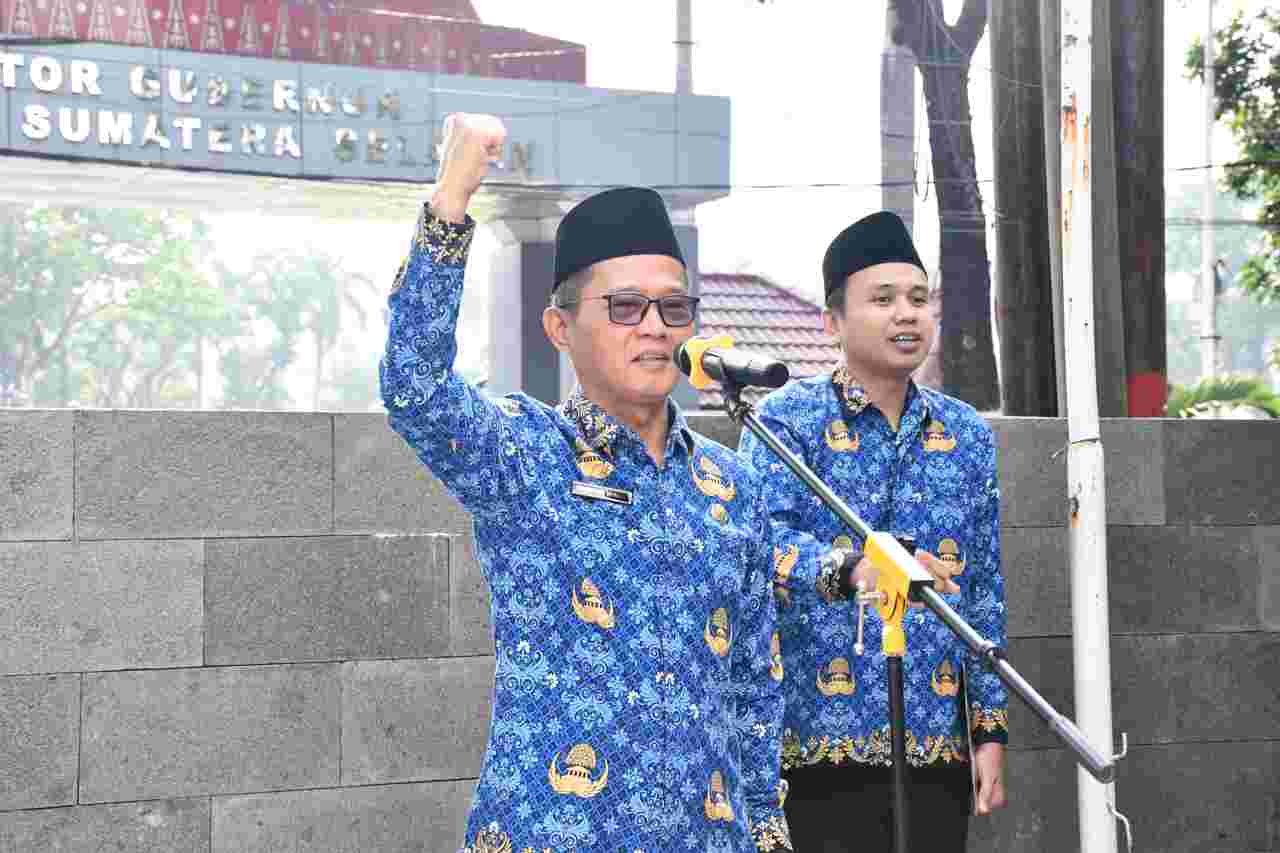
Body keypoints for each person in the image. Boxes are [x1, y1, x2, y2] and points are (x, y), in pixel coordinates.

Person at [379, 112, 792, 853]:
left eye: (673, 307)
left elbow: (755, 688)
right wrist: (452, 198)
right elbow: (415, 391)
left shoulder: (733, 486)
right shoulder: (525, 458)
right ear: (560, 328)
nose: (656, 327)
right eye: (625, 307)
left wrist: (767, 831)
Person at [738, 211, 1008, 851]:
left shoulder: (966, 434)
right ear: (832, 322)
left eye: (919, 299)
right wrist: (853, 566)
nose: (906, 315)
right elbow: (760, 549)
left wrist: (988, 730)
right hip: (819, 745)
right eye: (882, 300)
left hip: (936, 741)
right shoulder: (784, 423)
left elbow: (985, 590)